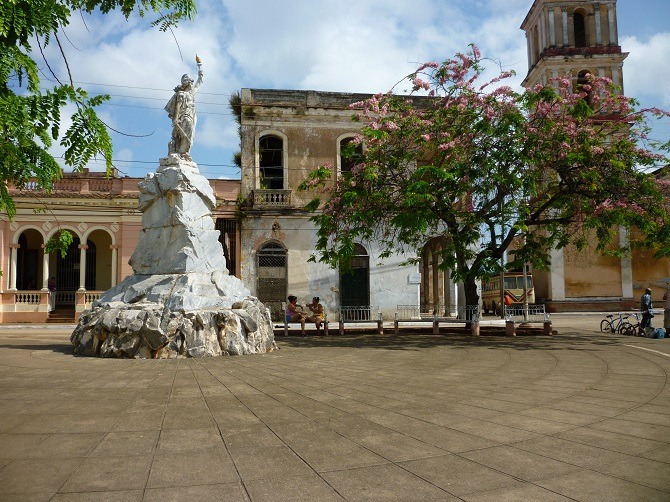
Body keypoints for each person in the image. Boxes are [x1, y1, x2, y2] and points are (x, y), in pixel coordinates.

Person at [164, 55, 203, 159]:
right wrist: (175, 118)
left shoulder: (191, 93)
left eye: (189, 80)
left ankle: (184, 152)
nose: (190, 83)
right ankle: (180, 151)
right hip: (184, 116)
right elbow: (178, 106)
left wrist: (200, 70)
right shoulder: (181, 94)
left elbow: (199, 82)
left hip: (192, 115)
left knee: (190, 133)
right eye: (187, 80)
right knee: (185, 131)